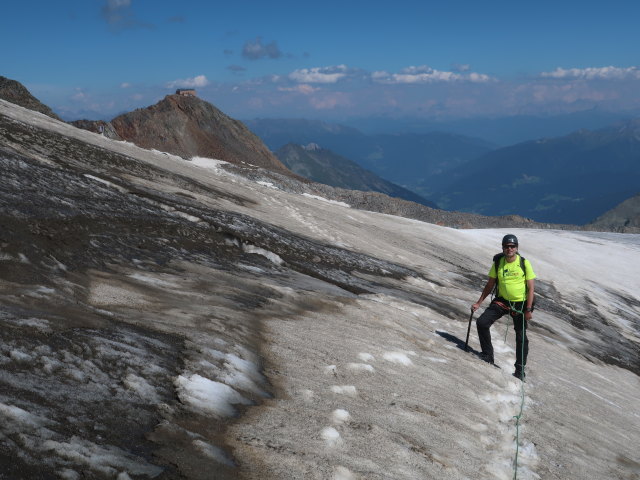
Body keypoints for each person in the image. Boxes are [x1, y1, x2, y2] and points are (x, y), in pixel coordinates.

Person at [471, 234, 536, 381]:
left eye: (512, 246)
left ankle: (520, 370)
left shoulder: (524, 263)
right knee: (482, 323)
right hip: (502, 301)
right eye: (507, 246)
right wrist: (479, 302)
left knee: (521, 338)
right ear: (503, 248)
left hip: (521, 304)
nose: (509, 249)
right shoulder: (498, 262)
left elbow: (531, 288)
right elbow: (490, 284)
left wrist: (528, 309)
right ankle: (488, 355)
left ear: (516, 248)